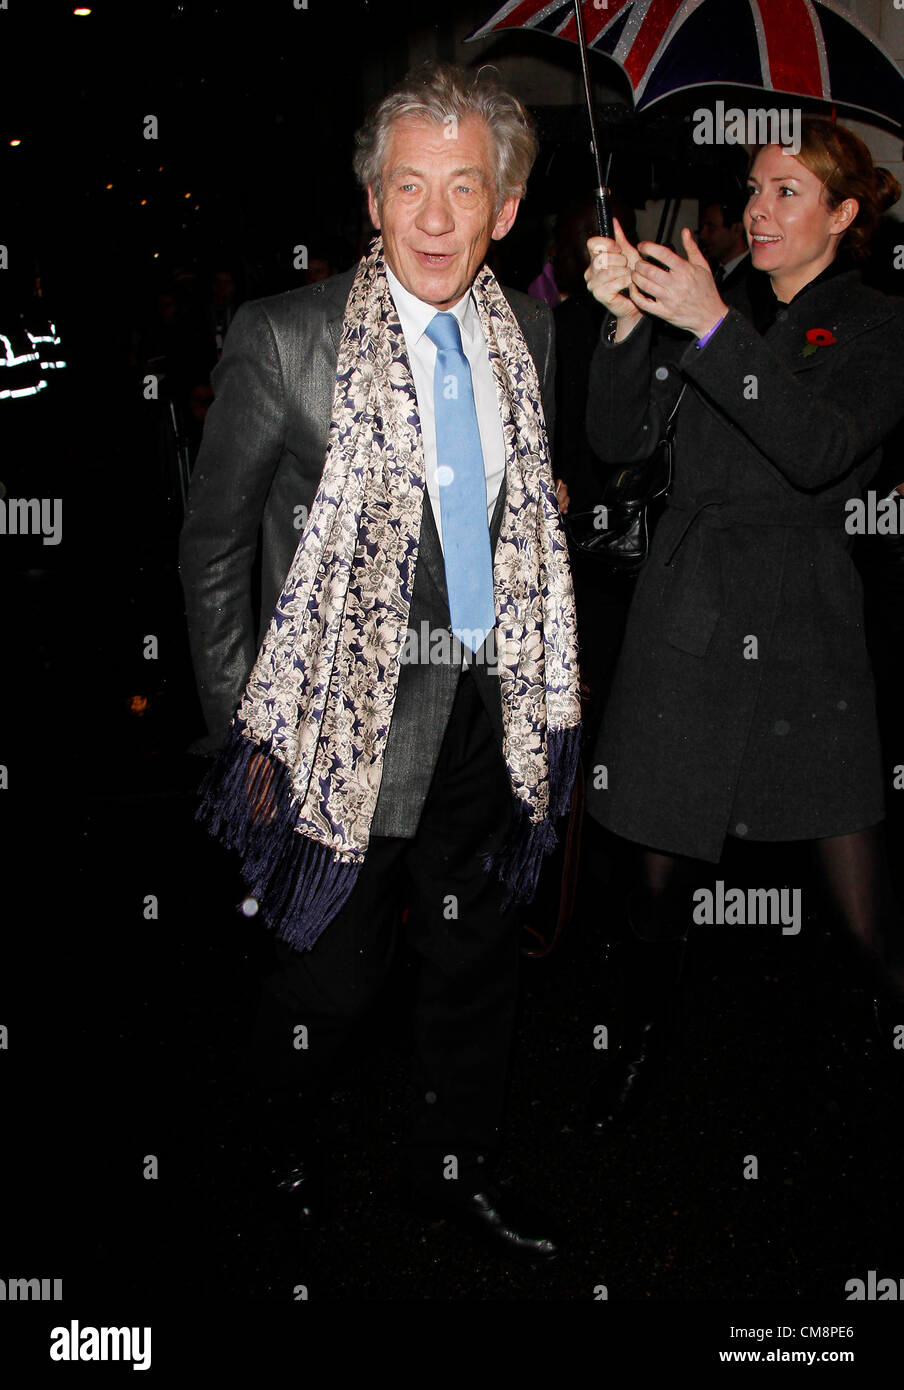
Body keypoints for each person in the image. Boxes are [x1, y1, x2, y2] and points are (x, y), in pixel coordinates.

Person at [179, 61, 581, 1259]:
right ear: (372, 198)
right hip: (336, 722)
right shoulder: (284, 340)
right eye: (410, 186)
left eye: (466, 190)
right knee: (331, 980)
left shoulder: (539, 335)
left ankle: (453, 1169)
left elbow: (560, 486)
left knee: (473, 966)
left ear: (506, 210)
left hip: (488, 708)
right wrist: (241, 735)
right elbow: (210, 551)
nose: (437, 219)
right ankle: (277, 1153)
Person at [581, 118, 904, 1127]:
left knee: (860, 905)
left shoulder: (876, 325)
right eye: (754, 188)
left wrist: (712, 327)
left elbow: (814, 448)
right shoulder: (706, 298)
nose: (759, 210)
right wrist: (629, 327)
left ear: (841, 216)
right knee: (651, 873)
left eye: (786, 192)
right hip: (685, 615)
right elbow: (615, 438)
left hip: (804, 628)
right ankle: (631, 1049)